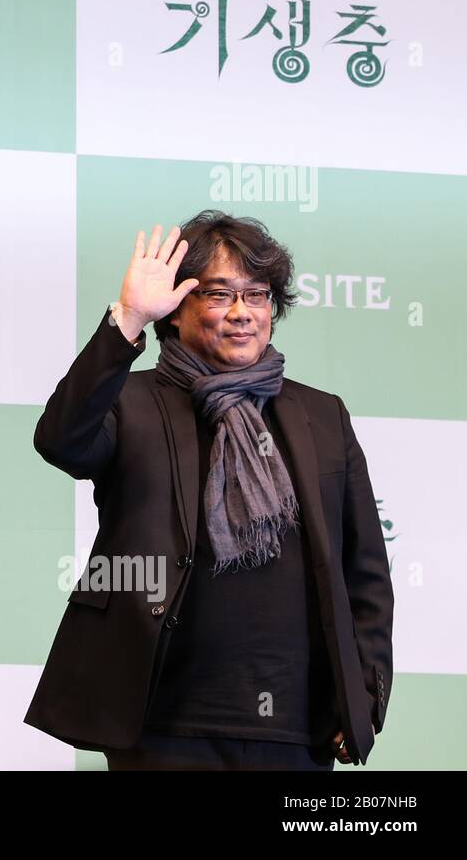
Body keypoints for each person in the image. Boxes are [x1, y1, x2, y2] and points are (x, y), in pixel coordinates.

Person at [23, 213, 393, 770]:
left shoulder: (320, 414)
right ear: (177, 310)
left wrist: (363, 698)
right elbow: (61, 441)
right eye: (219, 295)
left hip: (297, 725)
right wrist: (126, 320)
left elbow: (363, 570)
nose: (242, 313)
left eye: (257, 295)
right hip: (162, 722)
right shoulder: (132, 401)